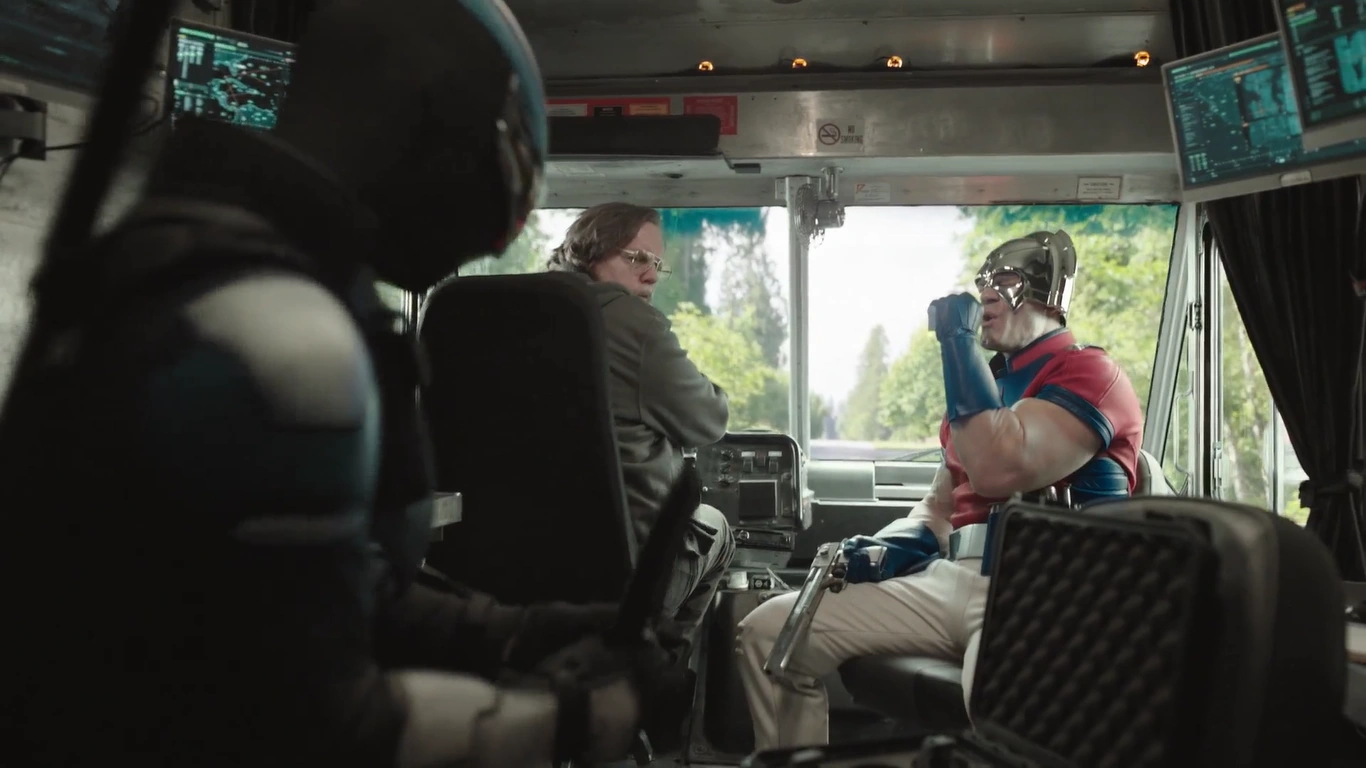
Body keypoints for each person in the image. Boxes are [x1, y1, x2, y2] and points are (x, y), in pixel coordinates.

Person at [0, 1, 680, 766]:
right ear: (459, 132)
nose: (497, 232)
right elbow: (313, 725)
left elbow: (302, 600)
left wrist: (513, 631)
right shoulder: (286, 339)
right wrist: (576, 721)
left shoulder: (166, 271)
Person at [734, 230, 1145, 750]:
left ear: (1047, 294)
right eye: (982, 280)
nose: (985, 291)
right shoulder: (983, 387)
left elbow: (999, 468)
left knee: (998, 705)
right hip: (950, 578)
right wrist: (891, 545)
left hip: (1040, 587)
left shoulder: (1088, 371)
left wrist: (957, 345)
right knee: (770, 633)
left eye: (1004, 280)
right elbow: (940, 506)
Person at [547, 202, 737, 664]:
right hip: (620, 575)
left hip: (507, 571)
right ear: (590, 252)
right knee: (716, 528)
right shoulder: (630, 321)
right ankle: (648, 673)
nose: (651, 276)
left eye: (657, 264)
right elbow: (708, 419)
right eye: (636, 258)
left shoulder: (511, 312)